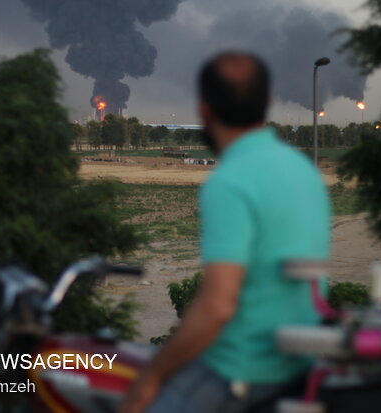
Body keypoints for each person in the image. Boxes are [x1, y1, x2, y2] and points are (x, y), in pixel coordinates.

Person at [120, 52, 331, 413]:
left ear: (204, 111)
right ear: (266, 104)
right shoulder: (303, 168)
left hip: (242, 369)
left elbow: (217, 306)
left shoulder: (230, 182)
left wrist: (152, 376)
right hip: (301, 362)